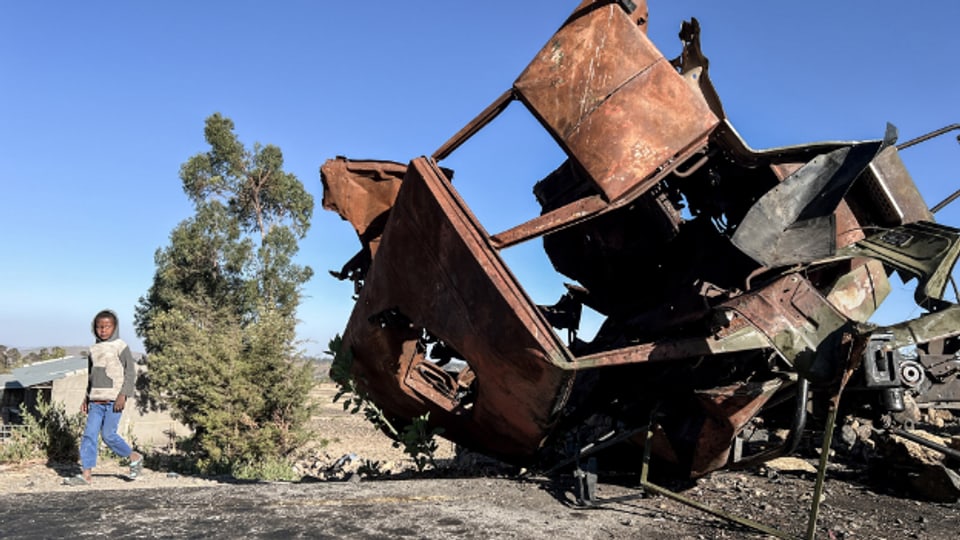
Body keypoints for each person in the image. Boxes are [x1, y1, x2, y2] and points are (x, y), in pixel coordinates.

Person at [64, 309, 143, 485]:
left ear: (114, 328)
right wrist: (86, 397)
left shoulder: (120, 346)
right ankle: (86, 474)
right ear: (94, 328)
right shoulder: (93, 349)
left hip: (114, 400)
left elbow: (130, 372)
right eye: (99, 327)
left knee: (109, 435)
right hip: (95, 401)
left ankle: (134, 457)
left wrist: (124, 394)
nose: (103, 330)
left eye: (107, 326)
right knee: (89, 435)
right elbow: (91, 375)